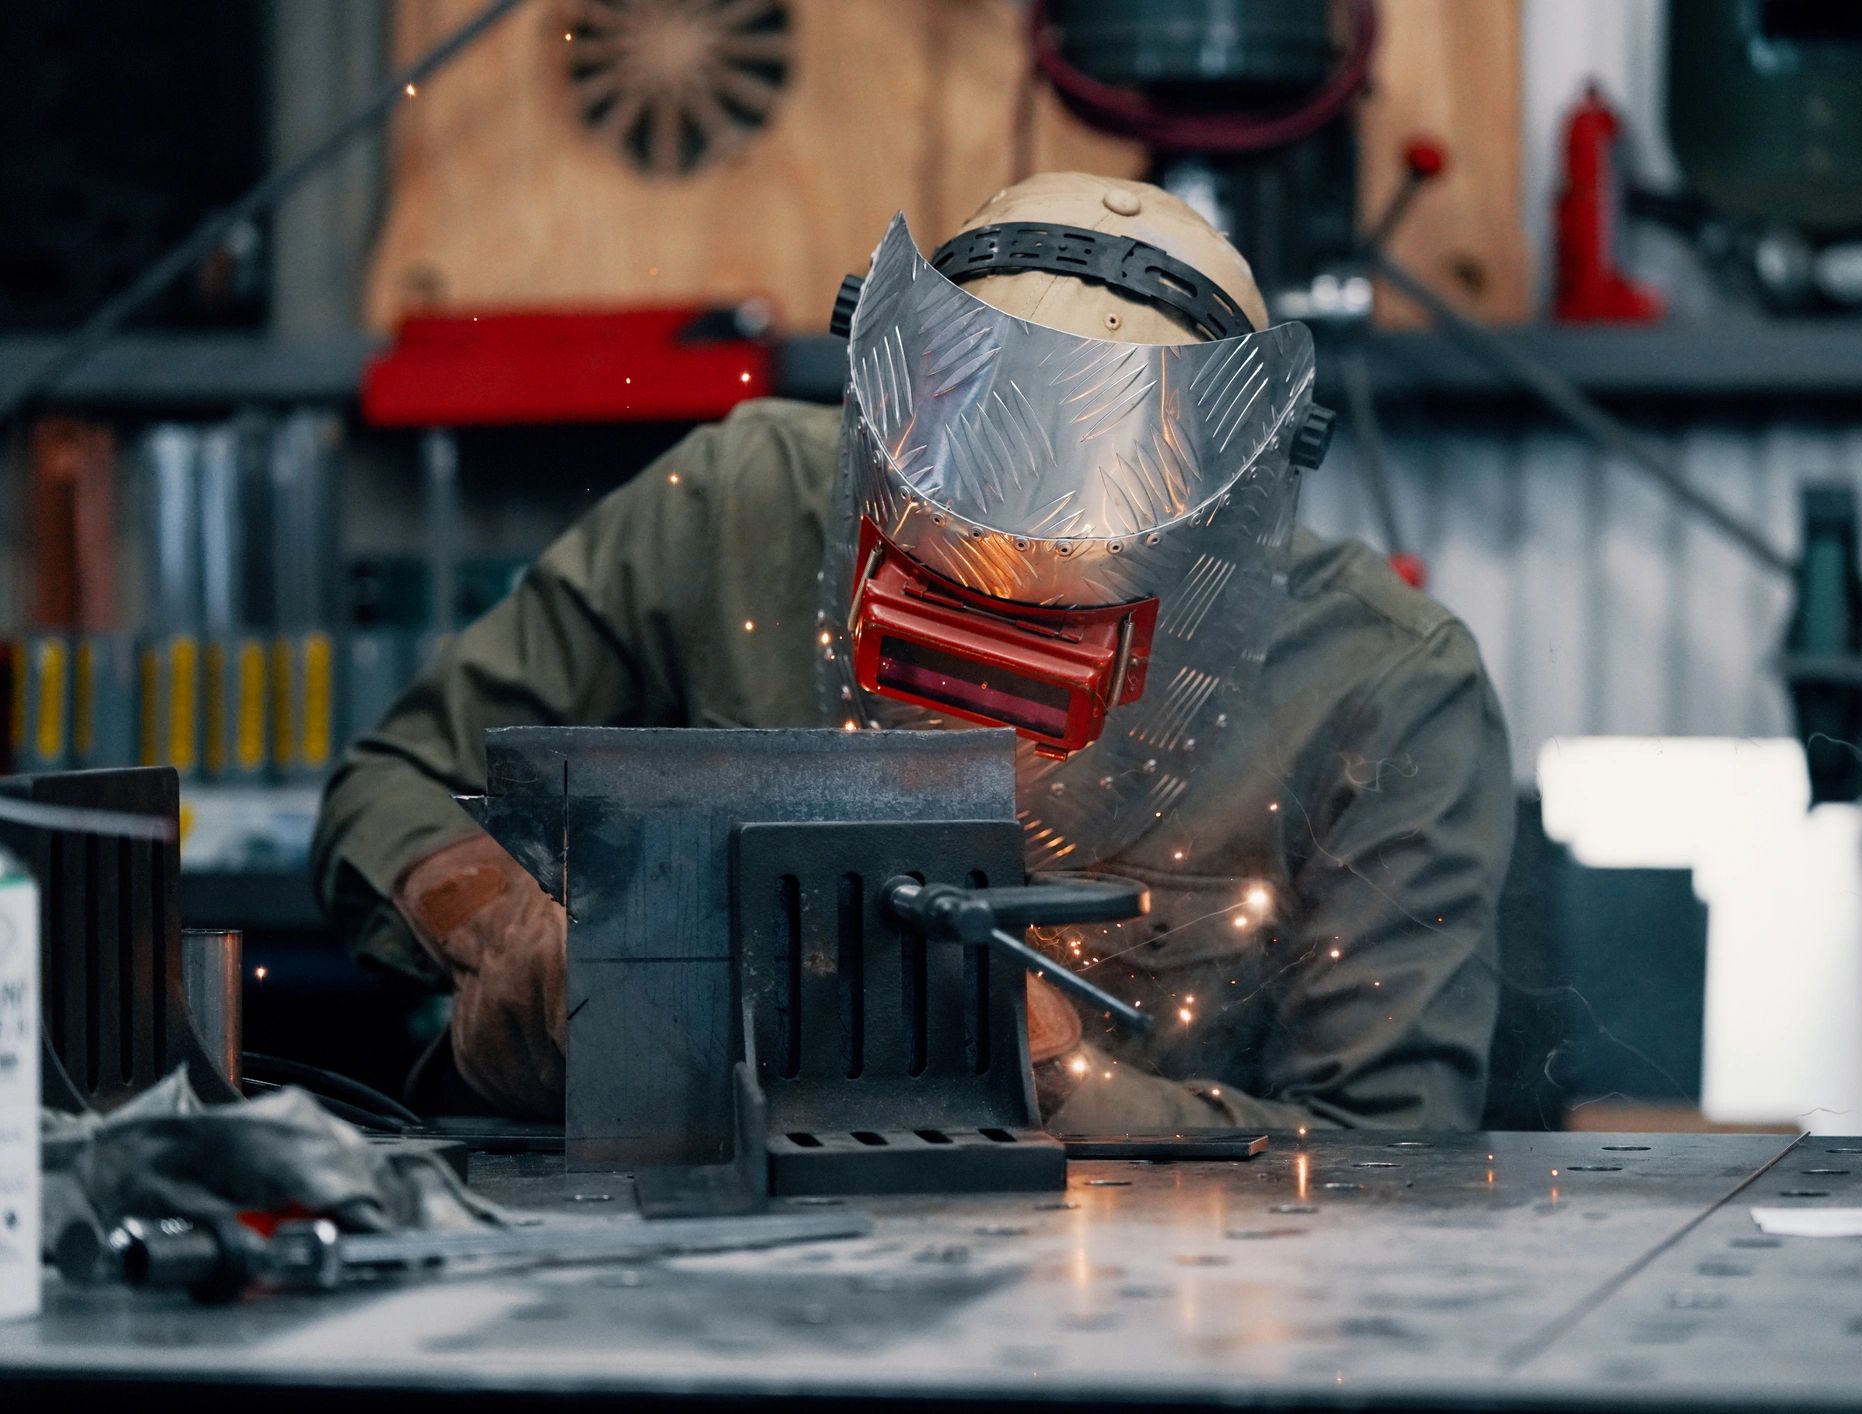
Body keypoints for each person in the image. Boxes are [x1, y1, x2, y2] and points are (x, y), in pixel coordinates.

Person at [312, 172, 1515, 1133]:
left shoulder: (1383, 687)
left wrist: (1061, 1085)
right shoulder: (733, 502)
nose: (989, 634)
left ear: (1213, 523)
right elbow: (392, 784)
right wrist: (507, 928)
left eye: (1055, 611)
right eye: (947, 576)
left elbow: (1386, 1149)